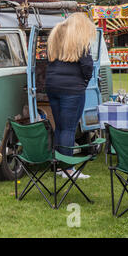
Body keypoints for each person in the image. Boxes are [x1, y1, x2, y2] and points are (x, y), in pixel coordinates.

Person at [45, 12, 96, 179]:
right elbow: (88, 66)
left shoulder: (55, 36)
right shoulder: (79, 40)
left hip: (53, 86)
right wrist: (85, 81)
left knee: (60, 127)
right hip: (72, 90)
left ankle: (60, 166)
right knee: (68, 129)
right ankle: (68, 169)